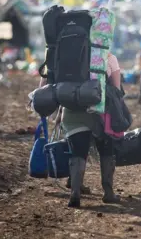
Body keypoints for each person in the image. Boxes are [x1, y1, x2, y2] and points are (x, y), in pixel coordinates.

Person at [37, 52, 122, 208]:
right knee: (106, 150)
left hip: (71, 111)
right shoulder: (108, 57)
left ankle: (75, 194)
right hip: (100, 113)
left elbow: (43, 87)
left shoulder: (63, 56)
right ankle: (108, 192)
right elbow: (117, 90)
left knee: (78, 152)